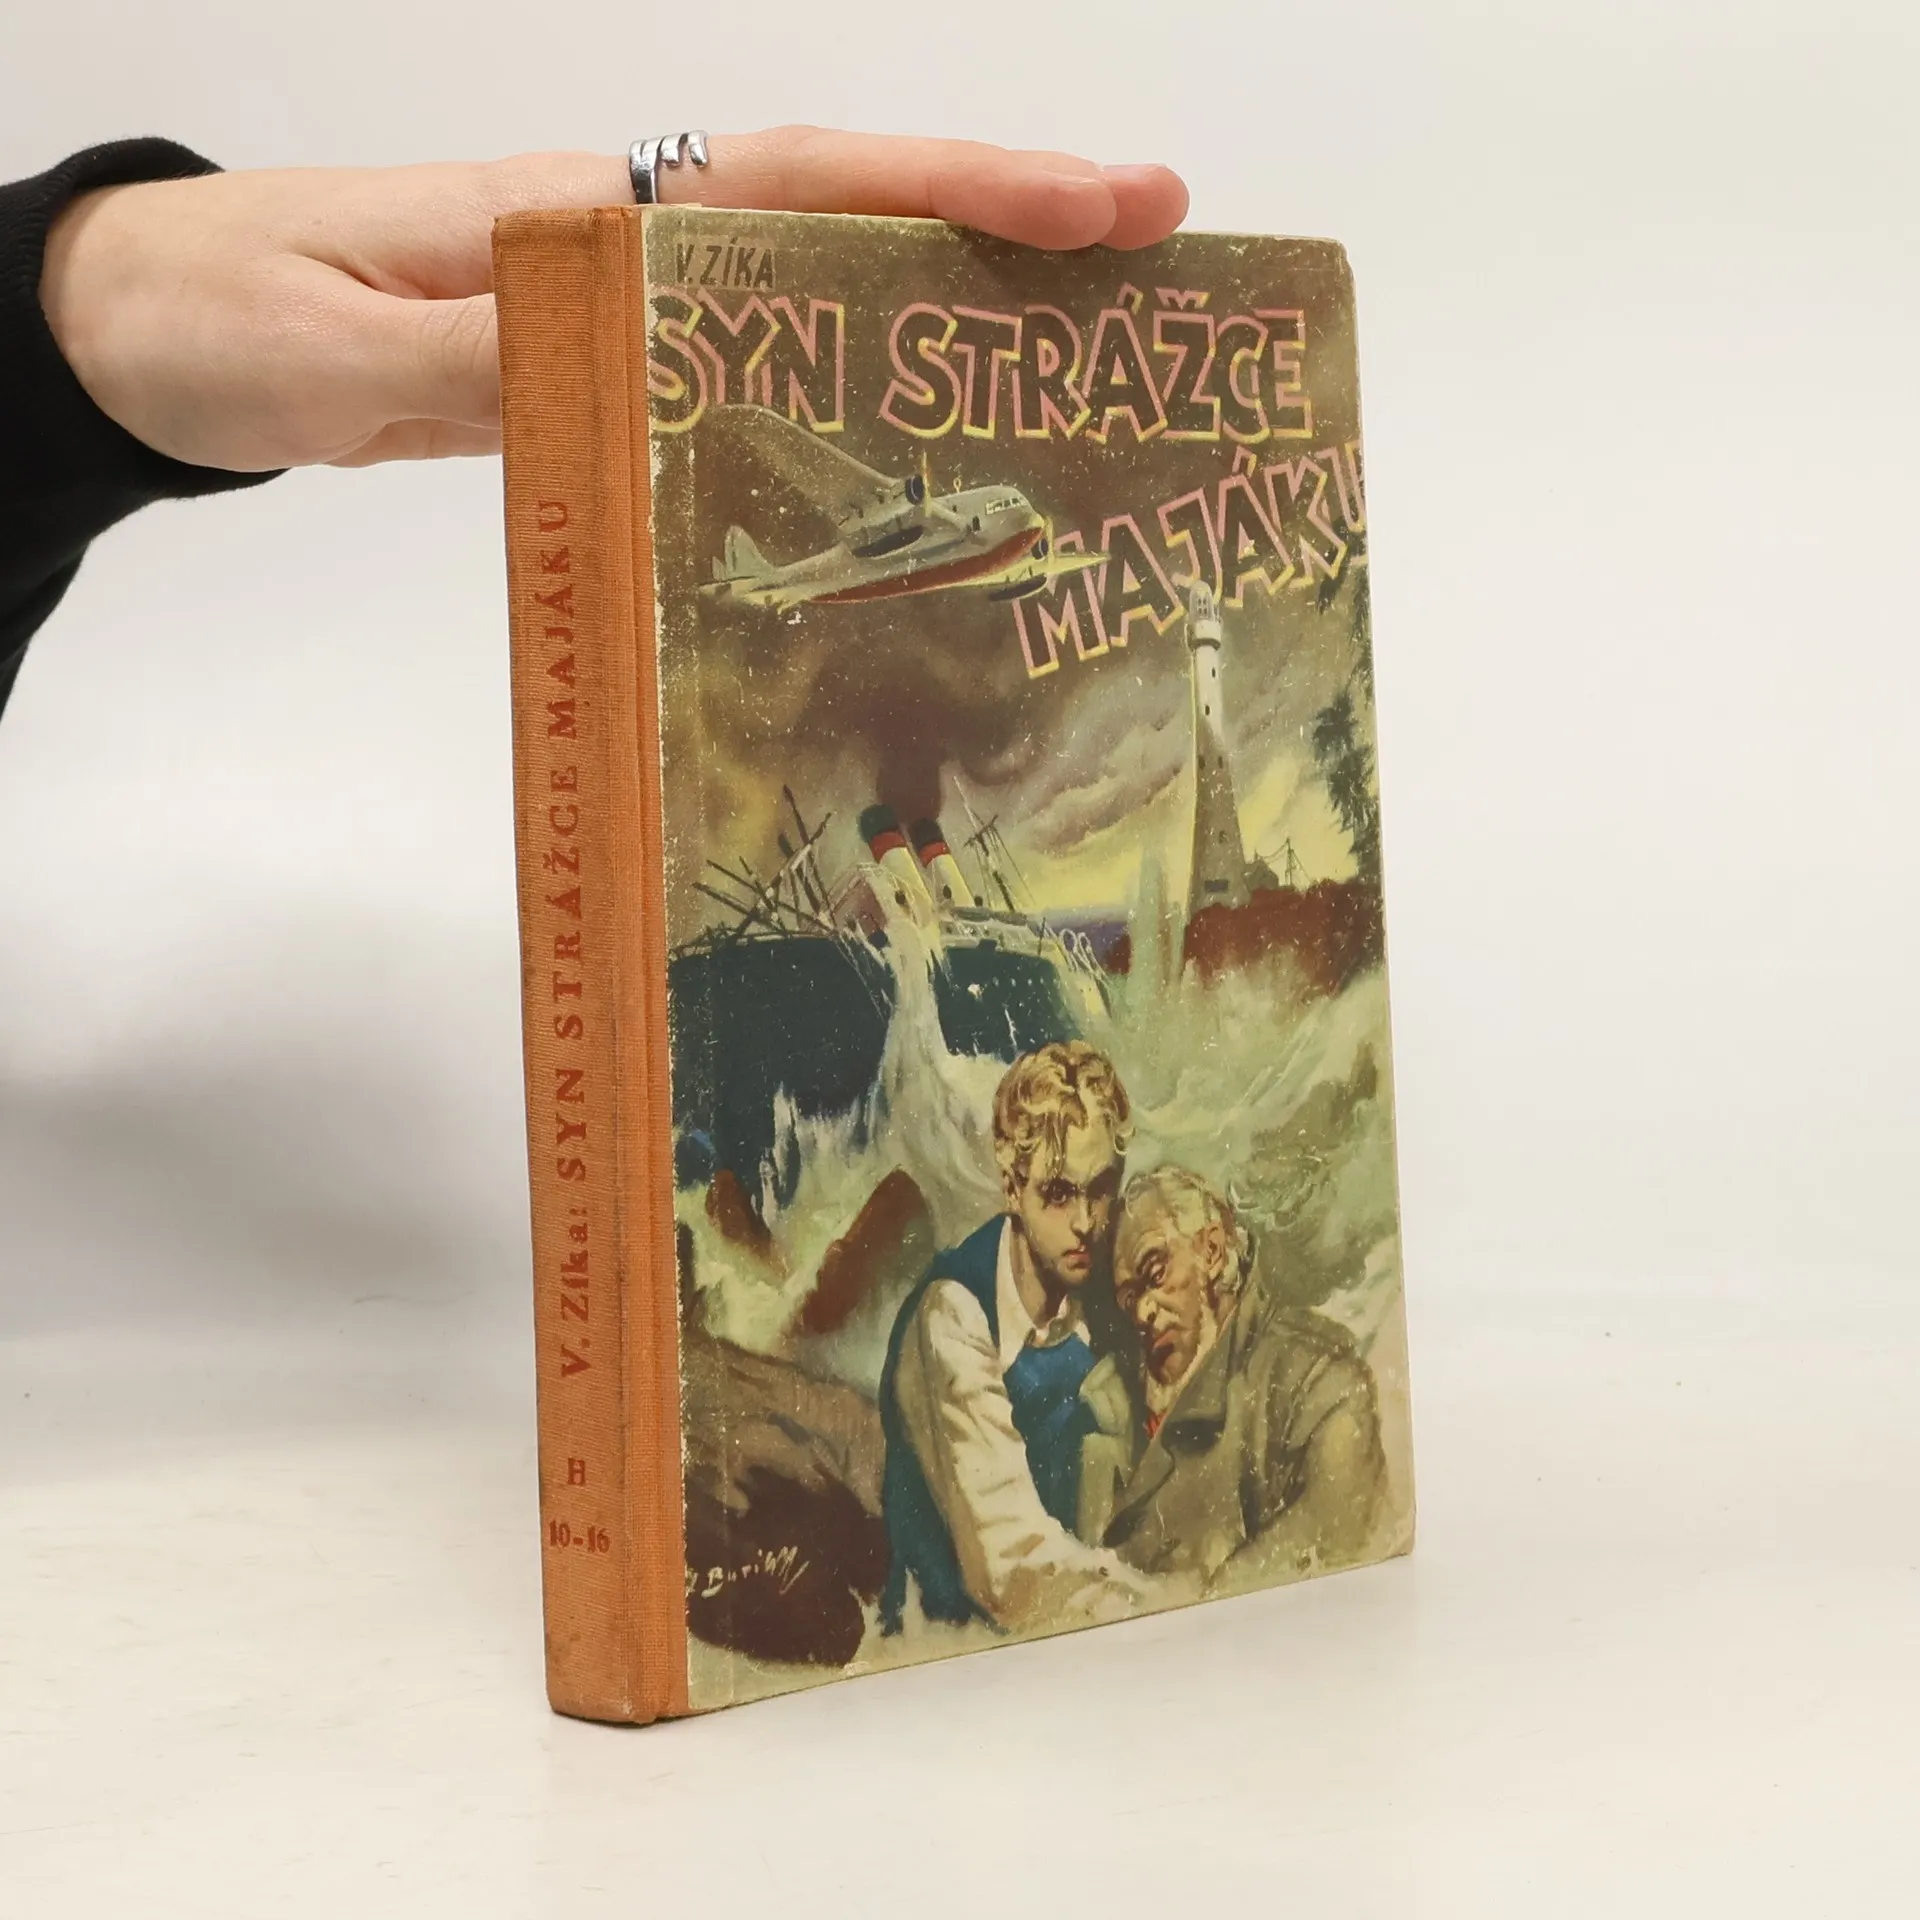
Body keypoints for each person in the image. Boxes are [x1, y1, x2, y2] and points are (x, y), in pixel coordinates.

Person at [0, 129, 1189, 717]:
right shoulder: (903, 516)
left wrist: (54, 361)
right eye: (1001, 508)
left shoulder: (999, 546)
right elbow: (810, 457)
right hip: (823, 568)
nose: (1011, 513)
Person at [877, 1040, 1153, 1634]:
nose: (1085, 1222)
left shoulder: (1108, 1294)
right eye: (1058, 1193)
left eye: (1099, 1188)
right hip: (951, 1645)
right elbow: (1009, 1571)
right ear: (1011, 1187)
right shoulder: (952, 1316)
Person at [1088, 1164, 1388, 1589]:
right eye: (1129, 1298)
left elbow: (1339, 1536)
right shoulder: (1113, 1409)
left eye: (1155, 1274)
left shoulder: (1317, 1382)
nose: (1141, 1312)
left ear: (1211, 1251)